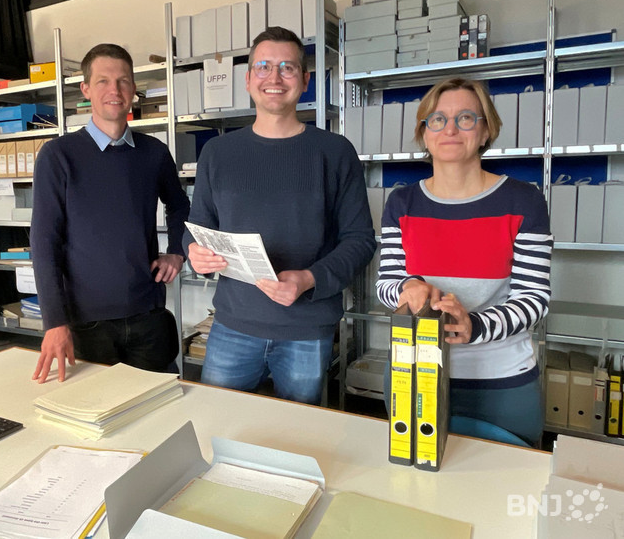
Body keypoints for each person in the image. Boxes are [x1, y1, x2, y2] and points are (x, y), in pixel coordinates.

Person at [185, 27, 376, 405]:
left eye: (287, 68)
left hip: (306, 329)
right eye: (264, 67)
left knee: (298, 439)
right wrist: (195, 253)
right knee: (220, 425)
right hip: (231, 325)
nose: (274, 78)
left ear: (305, 81)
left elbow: (360, 240)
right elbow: (198, 228)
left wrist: (309, 278)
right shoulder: (218, 153)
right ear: (248, 79)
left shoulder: (335, 152)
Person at [376, 77, 553, 446]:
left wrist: (474, 324)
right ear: (424, 134)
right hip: (415, 372)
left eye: (466, 118)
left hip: (500, 383)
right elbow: (387, 283)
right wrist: (409, 287)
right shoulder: (401, 204)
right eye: (437, 119)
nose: (450, 129)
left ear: (486, 129)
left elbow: (534, 298)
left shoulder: (524, 201)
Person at [30, 43, 190, 383]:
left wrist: (177, 252)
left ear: (133, 89)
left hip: (147, 315)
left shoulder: (154, 153)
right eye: (103, 81)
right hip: (87, 323)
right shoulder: (58, 156)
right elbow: (44, 244)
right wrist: (54, 323)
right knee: (96, 418)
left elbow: (179, 205)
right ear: (85, 89)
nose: (114, 90)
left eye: (123, 81)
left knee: (158, 409)